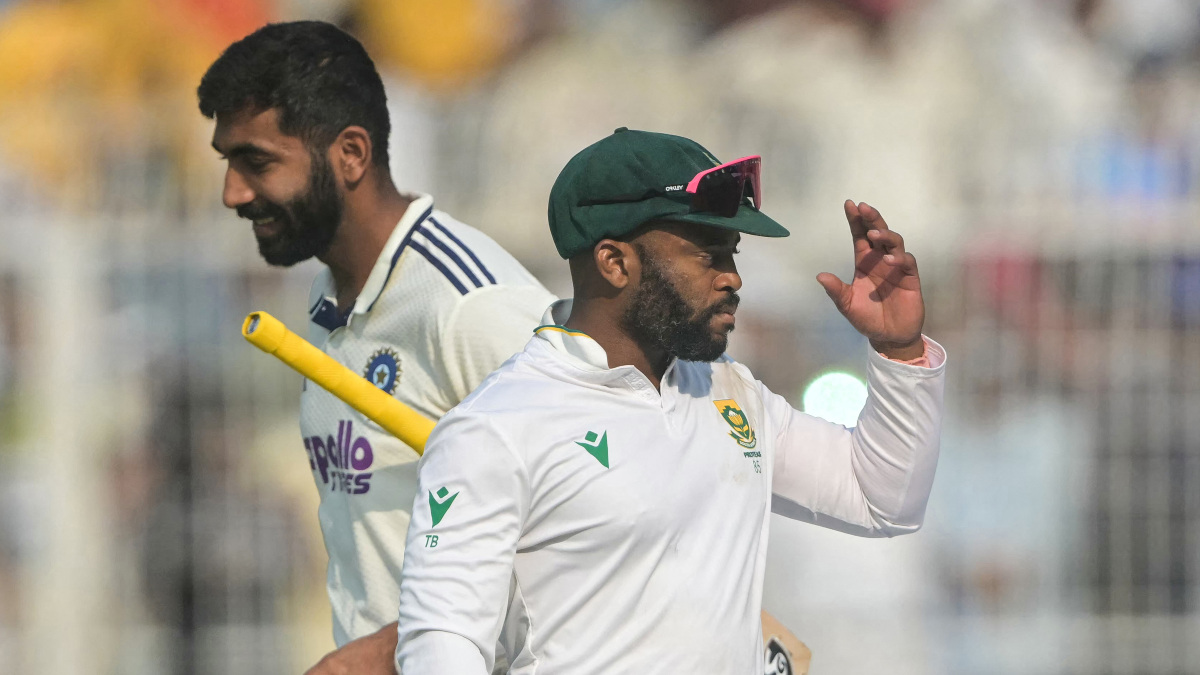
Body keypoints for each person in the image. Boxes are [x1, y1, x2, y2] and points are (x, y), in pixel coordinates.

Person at [394, 128, 947, 673]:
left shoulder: (727, 390)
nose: (733, 278)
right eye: (708, 255)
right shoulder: (496, 427)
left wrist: (898, 350)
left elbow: (882, 500)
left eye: (732, 253)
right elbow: (441, 640)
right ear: (614, 262)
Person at [197, 21, 556, 674]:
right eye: (228, 162)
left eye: (258, 163)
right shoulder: (329, 296)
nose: (234, 193)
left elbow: (587, 535)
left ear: (351, 154)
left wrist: (381, 656)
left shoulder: (470, 304)